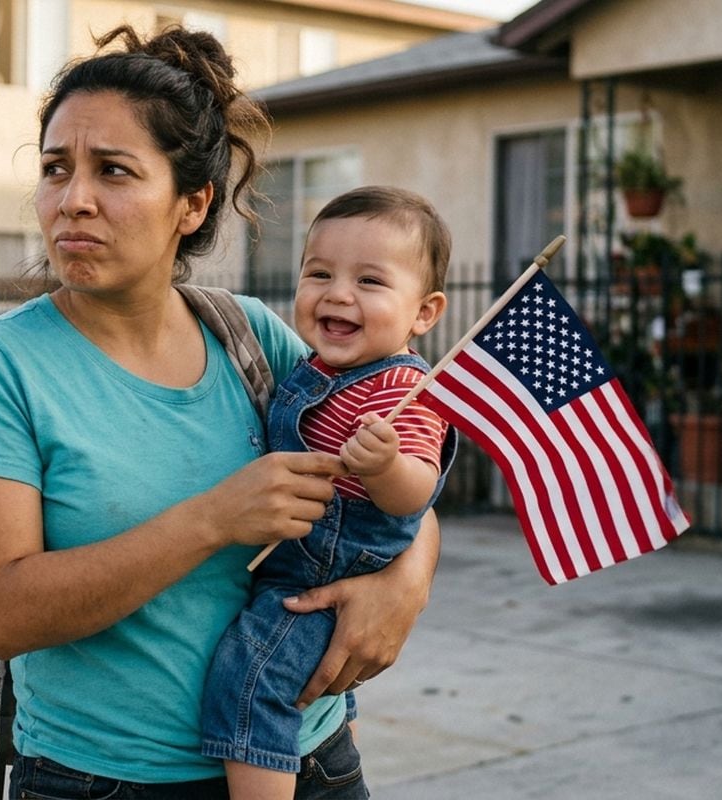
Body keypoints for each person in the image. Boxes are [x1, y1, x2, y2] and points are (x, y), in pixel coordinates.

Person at [0, 25, 442, 800]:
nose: (73, 200)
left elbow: (390, 479)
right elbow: (5, 615)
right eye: (55, 170)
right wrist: (214, 519)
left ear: (191, 204)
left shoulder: (249, 335)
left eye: (113, 171)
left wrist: (409, 582)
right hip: (103, 782)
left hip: (309, 762)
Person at [202, 186, 456, 800]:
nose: (338, 293)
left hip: (323, 572)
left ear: (424, 313)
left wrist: (385, 466)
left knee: (252, 677)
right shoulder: (316, 366)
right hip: (294, 556)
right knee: (305, 677)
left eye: (370, 281)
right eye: (319, 273)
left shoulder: (403, 390)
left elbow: (414, 497)